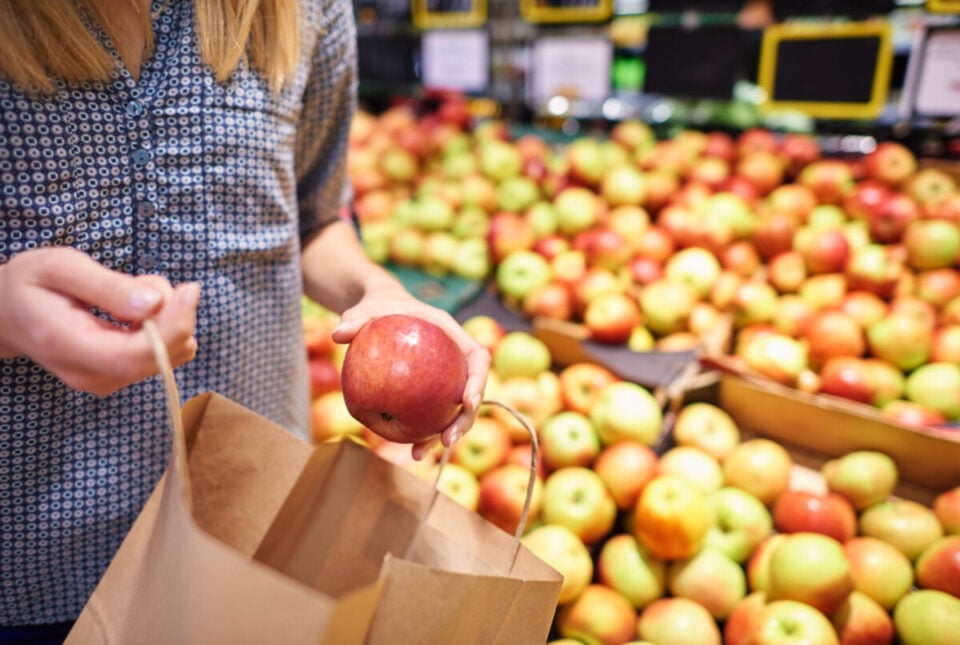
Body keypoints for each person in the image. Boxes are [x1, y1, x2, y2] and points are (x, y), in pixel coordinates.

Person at [0, 0, 490, 640]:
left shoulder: (304, 10)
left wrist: (378, 290)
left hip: (258, 513)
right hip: (37, 561)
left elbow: (313, 216)